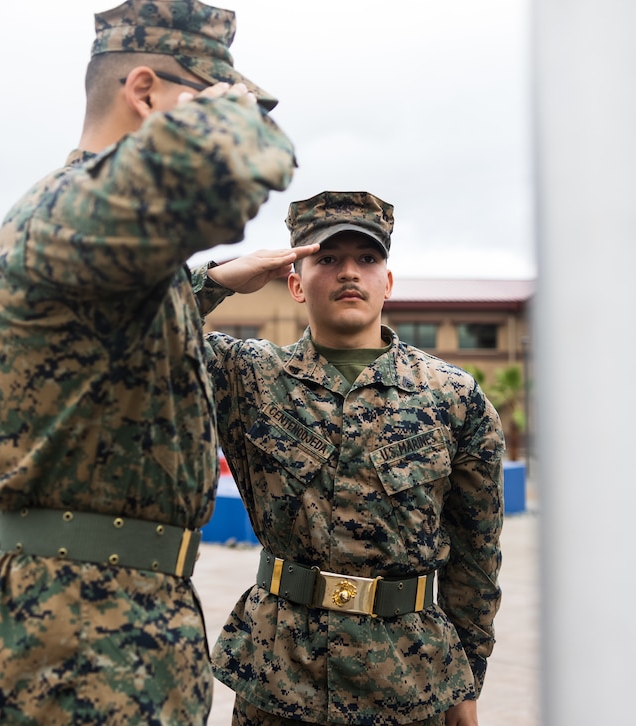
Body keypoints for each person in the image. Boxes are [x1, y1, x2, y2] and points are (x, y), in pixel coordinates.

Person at [0, 1, 295, 724]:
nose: (239, 111)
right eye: (216, 94)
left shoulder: (96, 235)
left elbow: (113, 327)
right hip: (64, 648)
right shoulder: (66, 212)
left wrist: (213, 281)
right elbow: (225, 174)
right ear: (145, 91)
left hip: (117, 633)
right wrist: (234, 115)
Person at [190, 191, 504, 726]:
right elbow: (128, 340)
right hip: (281, 678)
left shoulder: (453, 396)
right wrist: (216, 280)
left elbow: (475, 558)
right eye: (328, 259)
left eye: (368, 258)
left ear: (388, 281)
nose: (349, 273)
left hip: (411, 680)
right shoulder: (248, 377)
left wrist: (468, 681)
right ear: (294, 281)